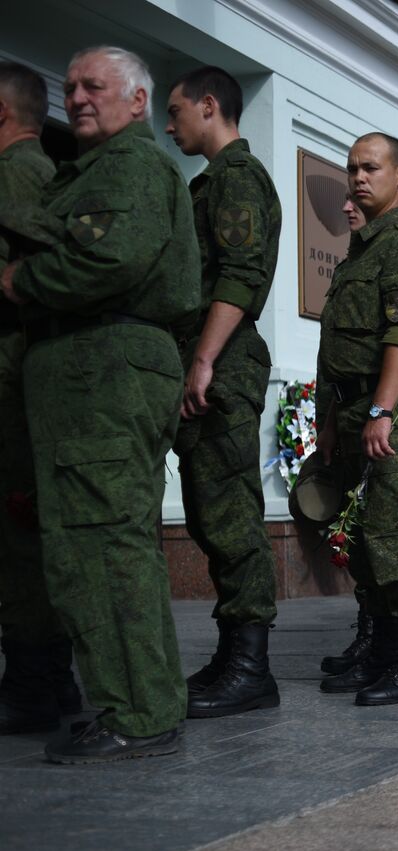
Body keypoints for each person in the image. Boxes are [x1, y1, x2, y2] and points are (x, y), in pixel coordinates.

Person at [2, 46, 203, 763]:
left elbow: (107, 259)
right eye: (73, 85)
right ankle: (131, 703)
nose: (78, 96)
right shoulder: (92, 170)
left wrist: (20, 281)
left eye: (95, 86)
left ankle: (140, 713)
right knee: (89, 547)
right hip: (90, 372)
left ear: (138, 101)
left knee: (107, 547)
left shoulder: (132, 165)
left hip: (106, 370)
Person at [314, 132, 398, 706]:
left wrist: (382, 410)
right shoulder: (362, 251)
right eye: (352, 169)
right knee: (366, 537)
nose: (358, 178)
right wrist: (328, 421)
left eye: (371, 167)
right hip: (351, 412)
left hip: (393, 412)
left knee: (396, 533)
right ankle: (383, 649)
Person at [163, 65, 282, 719]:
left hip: (225, 363)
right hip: (212, 360)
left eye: (177, 110)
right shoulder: (216, 179)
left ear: (210, 106)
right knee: (212, 513)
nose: (170, 122)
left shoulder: (236, 177)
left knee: (231, 517)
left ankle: (250, 666)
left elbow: (241, 271)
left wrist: (204, 359)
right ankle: (234, 654)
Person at [0, 61, 83, 735]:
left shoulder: (14, 175)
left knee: (18, 533)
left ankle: (34, 682)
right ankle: (47, 678)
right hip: (29, 377)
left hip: (14, 377)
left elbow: (52, 267)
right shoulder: (46, 172)